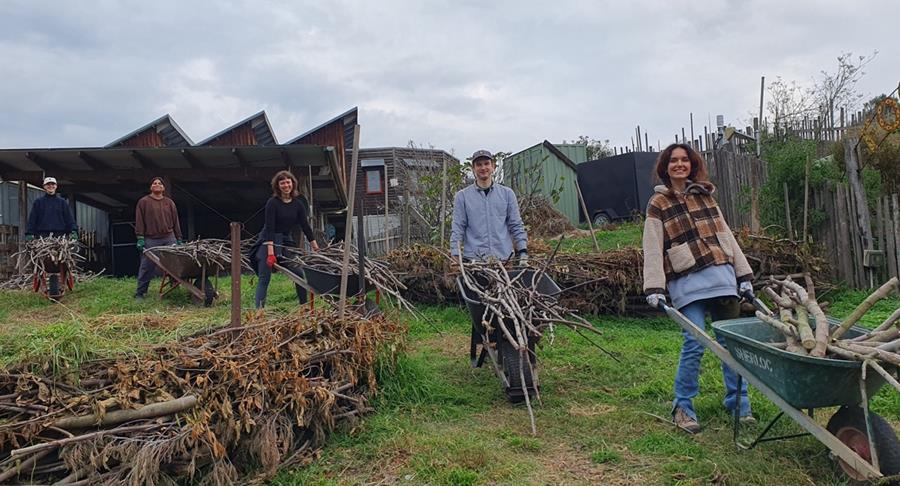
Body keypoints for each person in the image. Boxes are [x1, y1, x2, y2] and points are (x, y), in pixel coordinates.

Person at [642, 143, 756, 434]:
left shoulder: (706, 196)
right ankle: (683, 407)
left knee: (731, 342)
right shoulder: (659, 203)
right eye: (673, 161)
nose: (679, 165)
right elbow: (653, 246)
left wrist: (743, 274)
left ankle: (739, 402)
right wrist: (654, 285)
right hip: (687, 280)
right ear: (665, 167)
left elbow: (725, 235)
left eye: (684, 160)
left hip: (722, 277)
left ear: (691, 165)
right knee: (694, 342)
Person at [250, 170, 320, 309]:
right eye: (282, 183)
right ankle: (259, 312)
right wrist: (270, 253)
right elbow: (270, 228)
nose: (286, 185)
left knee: (299, 275)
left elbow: (305, 226)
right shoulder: (272, 203)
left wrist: (315, 247)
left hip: (285, 241)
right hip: (268, 240)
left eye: (288, 182)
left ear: (293, 184)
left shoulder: (298, 204)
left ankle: (303, 307)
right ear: (278, 185)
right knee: (265, 277)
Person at [450, 149, 528, 264]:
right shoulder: (462, 197)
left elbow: (515, 224)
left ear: (493, 167)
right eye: (479, 165)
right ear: (473, 168)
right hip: (474, 262)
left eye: (486, 164)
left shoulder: (507, 194)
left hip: (504, 260)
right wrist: (455, 253)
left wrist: (523, 251)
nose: (483, 168)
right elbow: (458, 227)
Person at [25, 176, 78, 298]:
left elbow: (69, 219)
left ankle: (66, 277)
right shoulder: (38, 203)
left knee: (65, 259)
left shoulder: (62, 203)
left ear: (56, 186)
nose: (50, 186)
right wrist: (29, 233)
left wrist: (73, 230)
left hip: (60, 237)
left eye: (52, 184)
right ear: (44, 187)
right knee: (39, 258)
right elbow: (32, 219)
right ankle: (40, 279)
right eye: (48, 184)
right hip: (42, 238)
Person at [134, 177, 183, 299]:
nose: (157, 185)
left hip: (168, 237)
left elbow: (176, 221)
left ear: (163, 188)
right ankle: (140, 293)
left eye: (160, 183)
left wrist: (179, 238)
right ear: (151, 187)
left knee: (174, 263)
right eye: (154, 183)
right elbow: (139, 220)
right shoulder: (143, 202)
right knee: (147, 266)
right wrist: (140, 237)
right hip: (151, 238)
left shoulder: (169, 203)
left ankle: (175, 287)